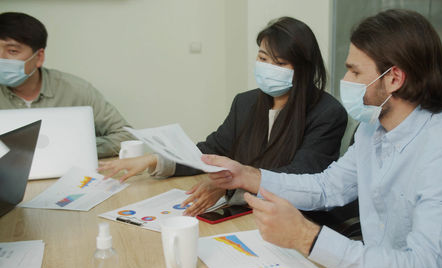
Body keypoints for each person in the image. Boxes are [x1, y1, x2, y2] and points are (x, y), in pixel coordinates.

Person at [202, 9, 442, 268]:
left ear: (394, 78)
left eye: (355, 72)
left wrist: (307, 236)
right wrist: (247, 175)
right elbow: (328, 186)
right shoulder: (373, 127)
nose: (345, 80)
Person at [99, 17, 350, 219]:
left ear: (303, 69)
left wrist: (230, 185)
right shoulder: (246, 102)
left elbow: (299, 178)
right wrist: (154, 159)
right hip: (241, 213)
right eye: (262, 59)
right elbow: (211, 150)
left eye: (280, 63)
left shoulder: (327, 113)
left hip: (289, 221)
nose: (267, 68)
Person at [0, 12, 133, 158]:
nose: (1, 58)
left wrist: (75, 147)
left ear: (39, 57)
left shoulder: (75, 90)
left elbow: (126, 137)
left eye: (12, 51)